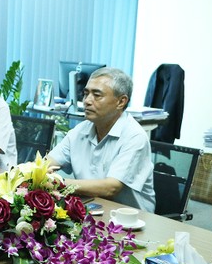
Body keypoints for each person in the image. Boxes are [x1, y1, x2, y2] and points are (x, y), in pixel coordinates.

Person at [46, 67, 156, 212]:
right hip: (91, 210)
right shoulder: (81, 130)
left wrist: (59, 183)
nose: (87, 101)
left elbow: (111, 187)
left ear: (121, 102)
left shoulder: (134, 136)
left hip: (130, 221)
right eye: (86, 94)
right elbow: (46, 164)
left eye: (97, 95)